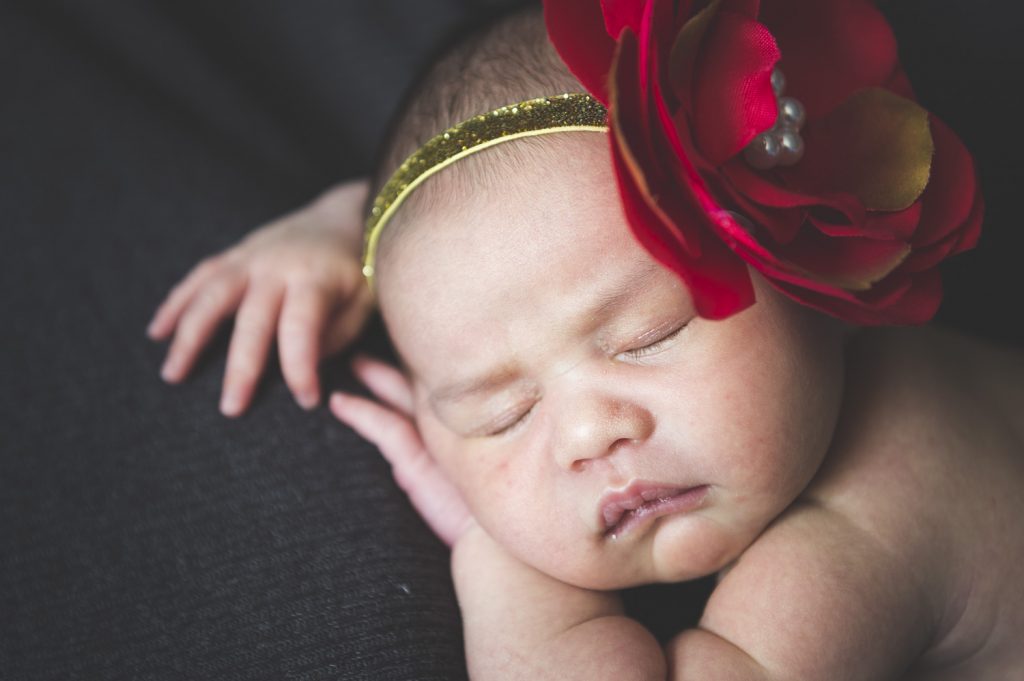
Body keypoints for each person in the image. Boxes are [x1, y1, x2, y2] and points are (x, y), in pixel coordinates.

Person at [150, 2, 1024, 678]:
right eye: (500, 413)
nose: (585, 433)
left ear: (809, 276)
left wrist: (498, 563)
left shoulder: (872, 520)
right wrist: (339, 229)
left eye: (649, 335)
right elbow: (499, 231)